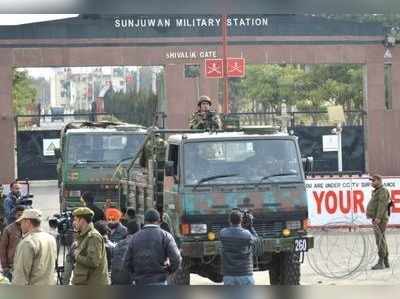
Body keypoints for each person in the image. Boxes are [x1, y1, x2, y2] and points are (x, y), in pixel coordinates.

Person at [123, 208, 182, 285]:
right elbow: (176, 258)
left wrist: (135, 275)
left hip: (140, 282)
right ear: (159, 221)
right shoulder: (166, 236)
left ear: (144, 221)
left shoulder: (134, 237)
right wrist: (168, 271)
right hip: (159, 281)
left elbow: (126, 262)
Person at [12, 209, 57, 285]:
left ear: (28, 222)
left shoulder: (28, 242)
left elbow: (20, 276)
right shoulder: (51, 238)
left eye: (21, 222)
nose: (20, 226)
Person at [71, 207, 110, 285]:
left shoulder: (93, 236)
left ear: (82, 220)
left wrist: (76, 255)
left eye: (75, 219)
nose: (73, 222)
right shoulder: (84, 235)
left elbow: (93, 261)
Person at [219, 209, 258, 285]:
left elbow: (228, 231)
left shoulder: (223, 233)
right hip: (245, 274)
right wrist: (250, 227)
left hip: (229, 275)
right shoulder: (247, 235)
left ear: (229, 220)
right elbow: (256, 240)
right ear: (241, 220)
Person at [366, 174, 392, 270]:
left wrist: (378, 217)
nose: (372, 183)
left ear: (379, 181)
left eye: (373, 181)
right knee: (382, 239)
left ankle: (381, 262)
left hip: (379, 219)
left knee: (379, 240)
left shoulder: (382, 191)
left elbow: (382, 205)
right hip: (377, 218)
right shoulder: (377, 191)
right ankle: (385, 261)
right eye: (371, 181)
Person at [0, 205, 25, 281]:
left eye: (22, 215)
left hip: (25, 264)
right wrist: (5, 266)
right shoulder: (8, 230)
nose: (20, 217)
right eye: (18, 215)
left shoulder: (29, 228)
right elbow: (3, 249)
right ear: (15, 215)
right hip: (11, 266)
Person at [110, 221, 139, 285]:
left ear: (127, 230)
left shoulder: (119, 244)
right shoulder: (137, 245)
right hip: (128, 282)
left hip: (114, 279)